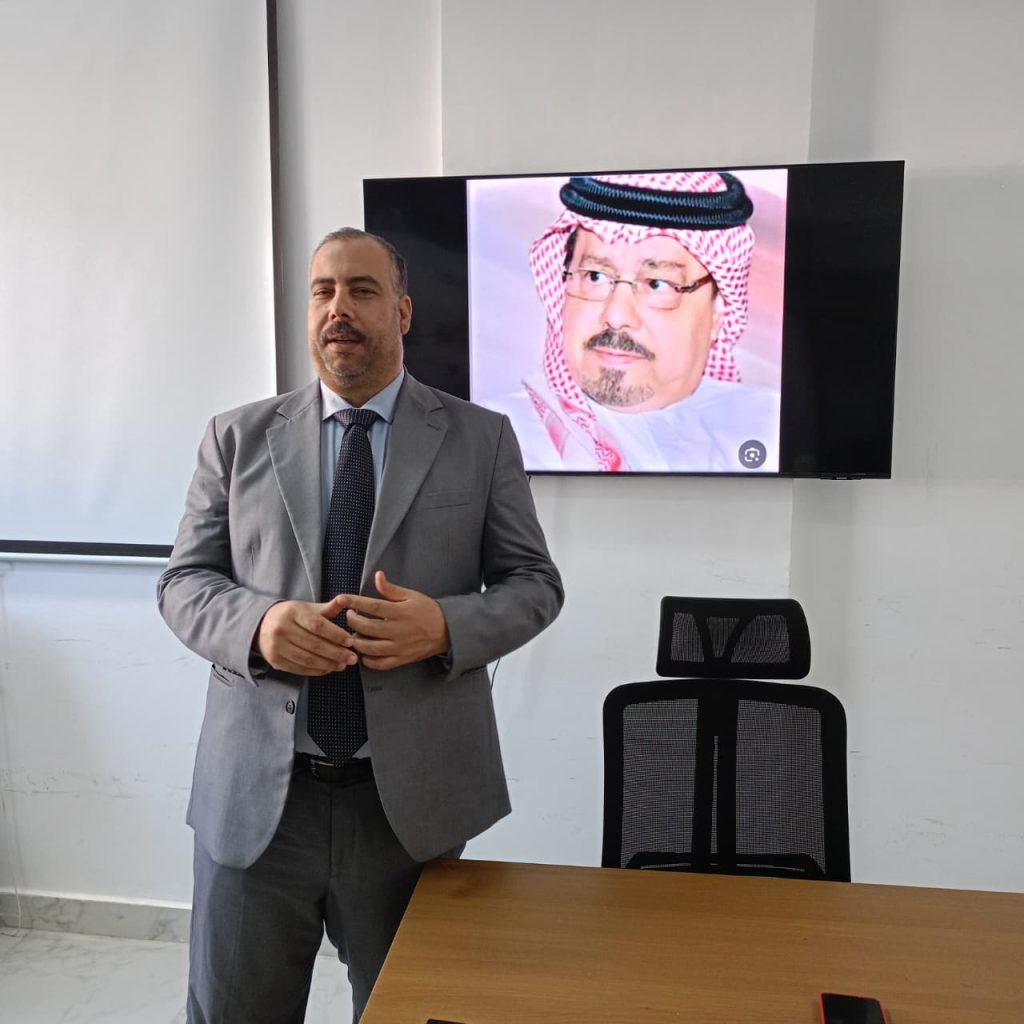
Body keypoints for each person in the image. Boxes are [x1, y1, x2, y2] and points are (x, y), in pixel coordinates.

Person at [157, 227, 563, 1023]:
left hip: (410, 808)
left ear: (402, 312)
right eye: (323, 291)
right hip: (256, 804)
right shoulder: (235, 437)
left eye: (362, 290)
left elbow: (535, 585)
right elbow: (183, 583)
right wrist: (259, 626)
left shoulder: (479, 438)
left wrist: (444, 626)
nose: (338, 308)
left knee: (411, 1012)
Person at [481, 171, 781, 473]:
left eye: (657, 284)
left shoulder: (773, 426)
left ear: (718, 311)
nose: (616, 316)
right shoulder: (492, 440)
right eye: (595, 277)